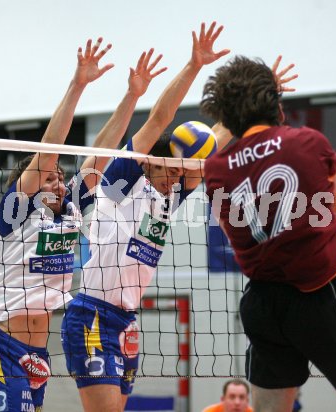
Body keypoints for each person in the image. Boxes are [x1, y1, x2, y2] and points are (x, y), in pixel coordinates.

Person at [0, 37, 166, 412]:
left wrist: (131, 96)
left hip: (37, 354)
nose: (58, 182)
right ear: (27, 184)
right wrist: (78, 85)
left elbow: (102, 154)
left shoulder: (70, 207)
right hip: (2, 346)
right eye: (49, 179)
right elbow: (49, 149)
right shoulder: (17, 211)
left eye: (61, 178)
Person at [202, 56, 336, 411]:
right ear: (276, 104)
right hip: (324, 294)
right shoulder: (308, 142)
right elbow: (334, 204)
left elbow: (228, 226)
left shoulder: (216, 169)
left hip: (262, 304)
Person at [61, 21, 230, 412]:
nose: (177, 176)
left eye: (181, 171)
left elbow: (216, 139)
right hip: (92, 315)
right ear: (151, 161)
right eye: (171, 168)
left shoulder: (168, 195)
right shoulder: (123, 184)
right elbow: (157, 119)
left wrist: (254, 102)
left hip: (127, 322)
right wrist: (193, 66)